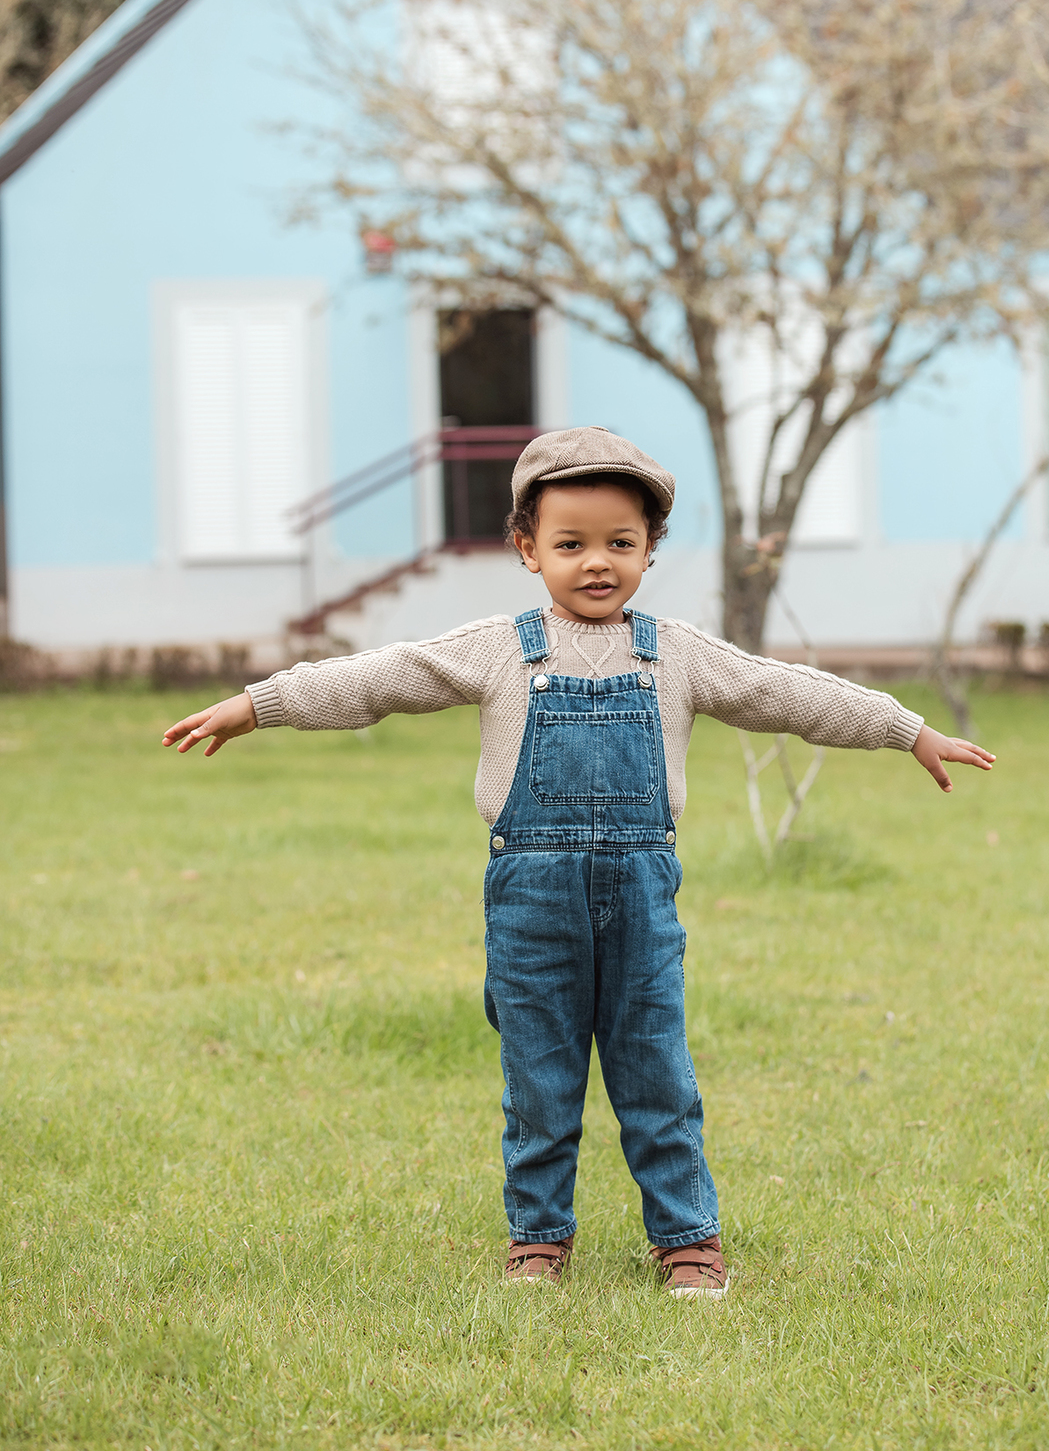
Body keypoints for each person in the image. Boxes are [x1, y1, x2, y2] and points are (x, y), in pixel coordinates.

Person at [163, 426, 994, 1297]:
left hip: (641, 898)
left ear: (650, 549)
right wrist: (260, 704)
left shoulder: (676, 655)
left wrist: (906, 728)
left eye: (619, 544)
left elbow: (785, 691)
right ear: (527, 548)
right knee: (539, 1075)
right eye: (570, 544)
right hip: (531, 901)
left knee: (656, 1069)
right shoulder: (497, 650)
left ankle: (686, 1239)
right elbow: (378, 678)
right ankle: (538, 1239)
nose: (597, 563)